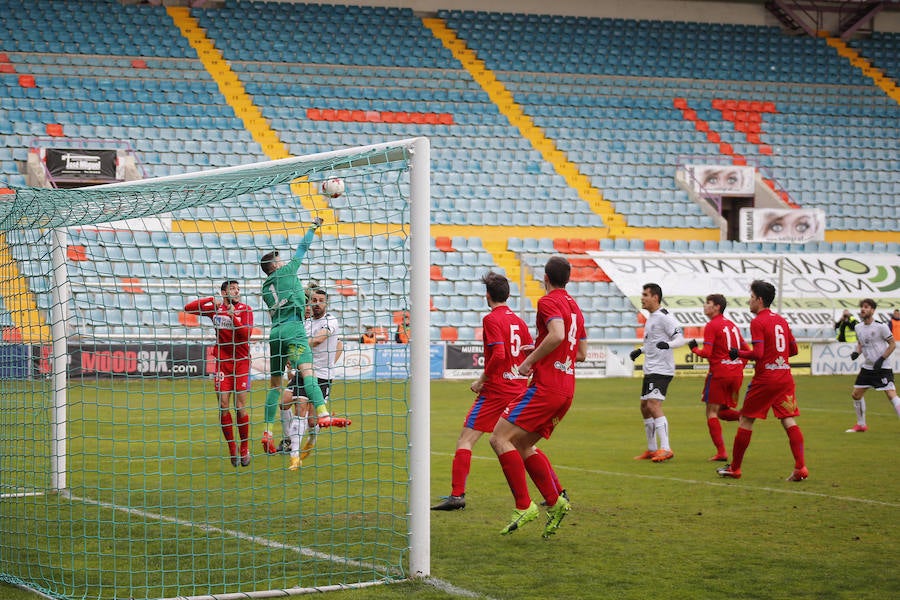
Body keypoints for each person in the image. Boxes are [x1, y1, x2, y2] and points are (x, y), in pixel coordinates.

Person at [432, 272, 563, 512]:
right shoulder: (519, 321)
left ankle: (457, 495)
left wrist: (482, 379)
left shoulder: (492, 319)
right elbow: (528, 352)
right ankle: (557, 492)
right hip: (518, 388)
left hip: (496, 390)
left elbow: (500, 355)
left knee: (466, 439)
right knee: (524, 444)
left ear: (488, 295)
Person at [489, 257, 586, 538]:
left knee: (498, 438)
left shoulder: (548, 302)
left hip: (546, 387)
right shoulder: (576, 309)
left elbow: (556, 335)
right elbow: (579, 353)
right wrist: (543, 348)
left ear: (545, 277)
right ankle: (555, 503)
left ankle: (523, 505)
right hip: (566, 389)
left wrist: (529, 361)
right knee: (521, 443)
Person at [259, 217, 349, 457]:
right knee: (307, 372)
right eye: (280, 259)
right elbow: (302, 248)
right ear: (276, 266)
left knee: (275, 386)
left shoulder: (265, 289)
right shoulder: (287, 271)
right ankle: (323, 414)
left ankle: (267, 431)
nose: (284, 261)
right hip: (293, 328)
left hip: (275, 333)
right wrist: (313, 227)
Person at [717, 280, 808, 481]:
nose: (749, 301)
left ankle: (735, 468)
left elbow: (758, 353)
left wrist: (737, 353)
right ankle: (800, 467)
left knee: (746, 419)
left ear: (759, 299)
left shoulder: (758, 321)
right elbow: (792, 350)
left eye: (751, 297)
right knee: (788, 419)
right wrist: (777, 357)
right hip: (784, 377)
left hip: (766, 379)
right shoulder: (781, 320)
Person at [183, 280, 254, 467]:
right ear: (223, 293)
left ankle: (244, 447)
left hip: (241, 363)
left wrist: (234, 317)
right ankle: (232, 448)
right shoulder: (216, 309)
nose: (237, 291)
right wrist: (210, 300)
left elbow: (246, 335)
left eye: (238, 289)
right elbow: (188, 308)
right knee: (223, 405)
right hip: (222, 364)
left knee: (240, 407)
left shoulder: (246, 309)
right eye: (232, 289)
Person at [279, 287, 344, 470]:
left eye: (320, 300)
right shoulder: (306, 323)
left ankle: (311, 438)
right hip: (303, 372)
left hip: (321, 376)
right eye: (313, 300)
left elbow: (318, 341)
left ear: (326, 303)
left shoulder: (330, 321)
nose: (316, 304)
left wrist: (297, 345)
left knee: (312, 421)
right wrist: (291, 357)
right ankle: (294, 454)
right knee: (286, 402)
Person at [629, 283, 686, 463]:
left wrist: (668, 345)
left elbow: (680, 338)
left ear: (655, 297)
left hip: (661, 369)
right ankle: (652, 449)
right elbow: (653, 342)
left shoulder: (664, 317)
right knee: (644, 407)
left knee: (653, 405)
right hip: (651, 368)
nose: (642, 298)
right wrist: (640, 350)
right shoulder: (651, 318)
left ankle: (666, 448)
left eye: (645, 294)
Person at [688, 294, 748, 461]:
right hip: (736, 374)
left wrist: (694, 350)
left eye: (708, 303)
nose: (705, 306)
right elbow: (746, 350)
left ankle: (721, 452)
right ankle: (744, 417)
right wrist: (738, 367)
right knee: (722, 411)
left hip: (720, 374)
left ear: (717, 307)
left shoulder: (712, 325)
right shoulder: (732, 326)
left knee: (711, 412)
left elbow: (707, 353)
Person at [844, 298, 900, 432]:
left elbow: (892, 344)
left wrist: (882, 359)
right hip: (867, 367)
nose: (863, 309)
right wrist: (856, 353)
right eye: (862, 307)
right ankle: (861, 425)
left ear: (873, 310)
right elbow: (861, 344)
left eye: (867, 307)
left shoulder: (881, 326)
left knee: (891, 395)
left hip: (882, 368)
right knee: (856, 395)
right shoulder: (858, 327)